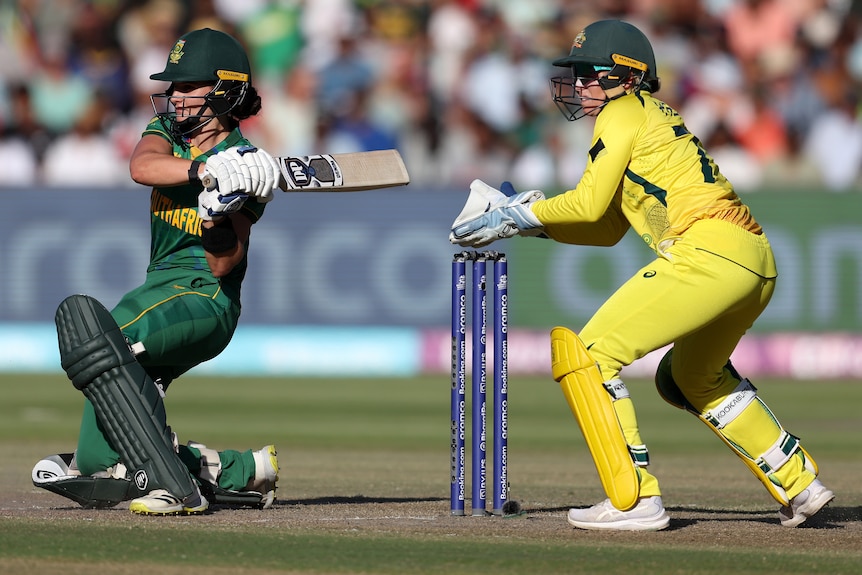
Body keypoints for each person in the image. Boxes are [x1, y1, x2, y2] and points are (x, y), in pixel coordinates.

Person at [449, 19, 833, 531]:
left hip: (707, 252)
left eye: (590, 74)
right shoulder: (645, 116)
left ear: (627, 77)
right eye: (577, 75)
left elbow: (585, 203)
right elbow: (604, 227)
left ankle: (634, 502)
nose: (580, 85)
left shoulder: (622, 111)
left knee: (588, 354)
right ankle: (800, 484)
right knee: (690, 377)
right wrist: (526, 227)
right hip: (754, 262)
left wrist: (517, 212)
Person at [32, 28, 281, 516]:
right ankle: (240, 469)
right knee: (101, 448)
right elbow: (142, 167)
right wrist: (204, 173)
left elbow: (225, 263)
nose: (176, 97)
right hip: (157, 288)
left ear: (226, 90)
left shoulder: (248, 169)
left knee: (107, 338)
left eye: (188, 86)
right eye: (174, 86)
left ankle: (175, 488)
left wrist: (217, 210)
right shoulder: (170, 135)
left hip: (204, 299)